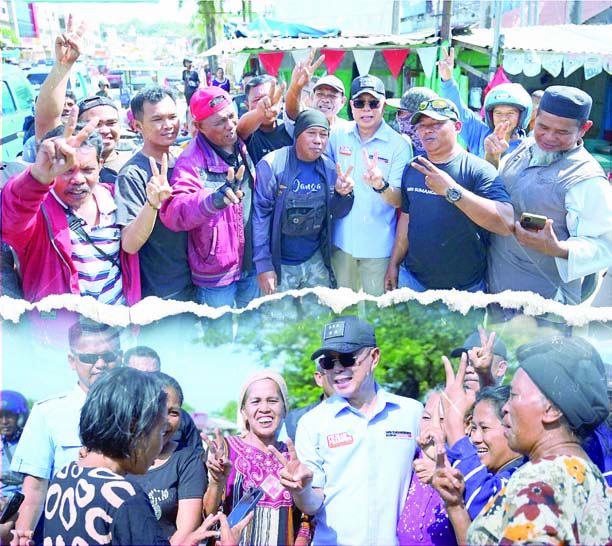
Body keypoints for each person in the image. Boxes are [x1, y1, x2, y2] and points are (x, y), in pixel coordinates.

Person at [31, 367, 247, 546]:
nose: (161, 443)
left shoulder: (63, 477)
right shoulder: (123, 496)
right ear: (135, 427)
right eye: (159, 429)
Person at [434, 336, 611, 545]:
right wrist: (455, 506)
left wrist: (454, 421)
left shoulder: (540, 483)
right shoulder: (584, 472)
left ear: (552, 410)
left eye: (514, 395)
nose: (506, 408)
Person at [274, 315, 423, 545]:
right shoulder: (312, 423)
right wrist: (301, 490)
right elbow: (312, 504)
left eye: (346, 358)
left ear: (374, 357)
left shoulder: (411, 413)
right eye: (328, 362)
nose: (337, 370)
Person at [487, 86, 612, 304]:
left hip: (545, 305)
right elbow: (496, 193)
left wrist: (558, 248)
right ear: (535, 117)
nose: (549, 137)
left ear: (584, 129)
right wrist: (492, 157)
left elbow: (604, 245)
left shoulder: (586, 178)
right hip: (497, 290)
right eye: (543, 127)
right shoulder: (522, 149)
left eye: (562, 132)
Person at [1, 115, 140, 304]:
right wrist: (36, 178)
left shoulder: (116, 199)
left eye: (87, 170)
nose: (78, 179)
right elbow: (13, 220)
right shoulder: (38, 212)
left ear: (100, 165)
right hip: (62, 331)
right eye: (67, 170)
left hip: (120, 327)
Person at [384, 97, 514, 293]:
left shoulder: (478, 170)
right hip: (414, 282)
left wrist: (451, 191)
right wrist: (394, 264)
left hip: (465, 290)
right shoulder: (413, 167)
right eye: (422, 125)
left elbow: (505, 224)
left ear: (458, 127)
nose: (427, 130)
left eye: (436, 124)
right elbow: (407, 221)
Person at [10, 320, 122, 546]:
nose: (100, 364)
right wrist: (23, 536)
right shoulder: (48, 413)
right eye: (89, 358)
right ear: (72, 360)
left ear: (120, 356)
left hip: (124, 530)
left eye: (109, 357)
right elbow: (34, 489)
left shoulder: (139, 409)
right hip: (67, 534)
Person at [160, 86, 259, 311]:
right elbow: (175, 212)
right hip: (216, 273)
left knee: (253, 330)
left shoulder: (239, 144)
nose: (230, 126)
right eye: (219, 122)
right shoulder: (190, 161)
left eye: (232, 116)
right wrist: (212, 200)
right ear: (199, 127)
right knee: (219, 339)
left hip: (251, 262)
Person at [253, 109, 354, 296]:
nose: (318, 140)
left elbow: (337, 214)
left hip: (314, 259)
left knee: (318, 320)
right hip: (280, 264)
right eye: (311, 133)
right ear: (297, 135)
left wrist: (343, 195)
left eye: (324, 135)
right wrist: (263, 265)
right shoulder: (272, 165)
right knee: (280, 323)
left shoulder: (330, 169)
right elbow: (260, 218)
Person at [203, 371, 310, 545]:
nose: (265, 408)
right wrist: (216, 482)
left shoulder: (295, 457)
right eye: (255, 401)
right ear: (244, 411)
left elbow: (306, 520)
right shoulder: (225, 451)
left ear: (284, 408)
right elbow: (208, 514)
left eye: (273, 400)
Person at [328, 76, 412, 296]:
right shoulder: (336, 135)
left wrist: (380, 185)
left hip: (379, 248)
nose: (367, 109)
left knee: (378, 315)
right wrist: (335, 187)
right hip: (342, 243)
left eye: (373, 103)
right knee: (345, 311)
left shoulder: (399, 145)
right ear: (351, 107)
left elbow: (400, 200)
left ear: (383, 105)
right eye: (360, 103)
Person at [115, 86, 196, 301]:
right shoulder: (132, 174)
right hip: (164, 291)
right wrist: (152, 204)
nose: (168, 125)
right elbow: (129, 244)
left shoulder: (184, 160)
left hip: (199, 281)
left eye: (172, 117)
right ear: (137, 126)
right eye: (158, 119)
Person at [34, 19, 129, 183]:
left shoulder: (135, 165)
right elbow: (46, 119)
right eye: (95, 125)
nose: (105, 130)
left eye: (111, 122)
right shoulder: (58, 161)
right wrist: (63, 65)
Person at [127, 373, 207, 544]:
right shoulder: (118, 456)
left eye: (173, 412)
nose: (165, 421)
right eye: (158, 411)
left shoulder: (187, 460)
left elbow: (186, 531)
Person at [437, 47, 532, 163]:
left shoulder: (529, 149)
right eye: (498, 113)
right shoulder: (479, 134)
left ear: (522, 116)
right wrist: (447, 79)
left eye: (510, 113)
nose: (503, 118)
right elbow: (458, 110)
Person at [397, 388, 457, 546]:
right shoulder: (405, 461)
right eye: (426, 417)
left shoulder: (464, 466)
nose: (433, 426)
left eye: (442, 419)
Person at [236, 75, 292, 165]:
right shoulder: (248, 132)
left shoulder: (290, 129)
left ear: (280, 101)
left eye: (270, 97)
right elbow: (240, 129)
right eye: (257, 100)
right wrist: (259, 113)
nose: (266, 103)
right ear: (247, 106)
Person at [285, 51, 349, 129]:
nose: (325, 100)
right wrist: (296, 87)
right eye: (320, 94)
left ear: (343, 102)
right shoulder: (303, 121)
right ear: (312, 97)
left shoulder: (346, 129)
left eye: (332, 96)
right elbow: (292, 112)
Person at [283, 362, 334, 444]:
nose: (340, 373)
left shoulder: (361, 415)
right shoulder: (295, 419)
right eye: (332, 370)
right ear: (319, 378)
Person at [387, 86, 438, 153]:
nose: (400, 120)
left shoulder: (440, 154)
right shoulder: (404, 147)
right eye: (399, 113)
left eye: (406, 115)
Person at [1, 391, 29, 499]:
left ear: (20, 418)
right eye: (0, 416)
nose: (4, 421)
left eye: (9, 416)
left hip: (17, 505)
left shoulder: (29, 443)